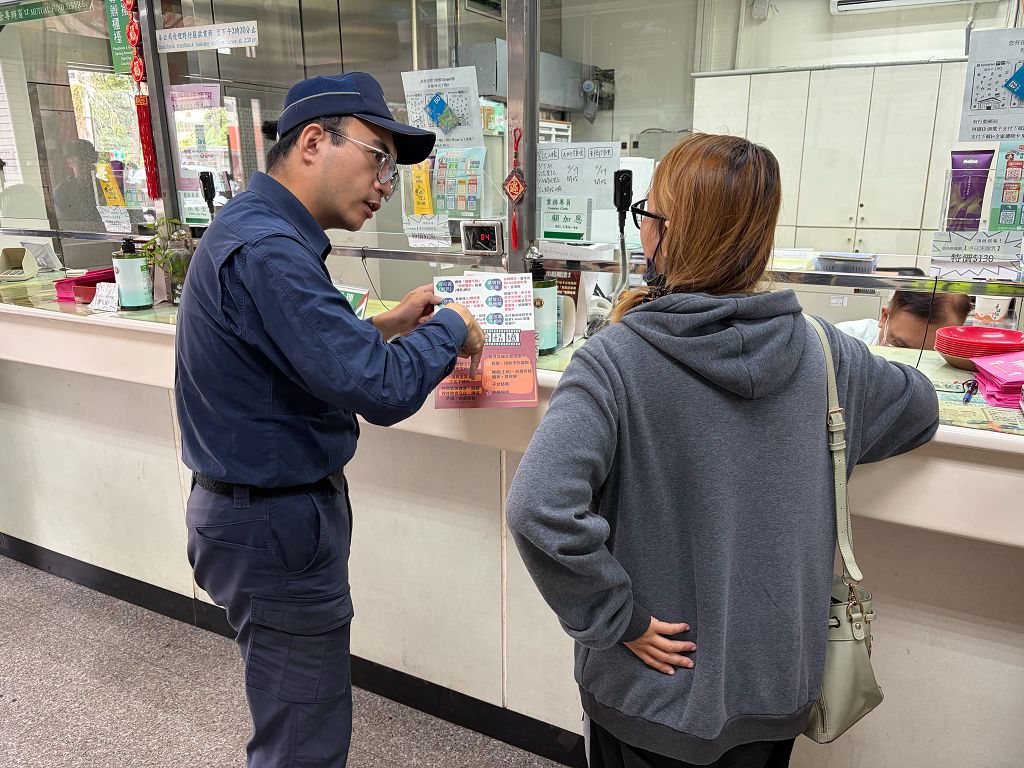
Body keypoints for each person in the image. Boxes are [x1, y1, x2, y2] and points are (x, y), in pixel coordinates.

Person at [505, 134, 939, 768]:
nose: (643, 227)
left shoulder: (614, 361)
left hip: (651, 691)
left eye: (647, 213)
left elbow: (539, 507)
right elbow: (920, 405)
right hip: (776, 687)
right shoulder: (826, 354)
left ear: (668, 234)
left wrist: (617, 618)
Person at [174, 71, 484, 768]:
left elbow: (302, 354)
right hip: (274, 526)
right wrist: (451, 327)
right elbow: (381, 390)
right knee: (302, 744)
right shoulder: (272, 251)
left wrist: (388, 323)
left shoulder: (256, 230)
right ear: (314, 142)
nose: (386, 185)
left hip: (256, 516)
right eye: (379, 160)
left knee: (293, 719)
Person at [836, 290, 971, 349]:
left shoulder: (959, 358)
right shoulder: (841, 343)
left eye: (932, 354)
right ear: (884, 317)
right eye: (900, 345)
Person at [52, 139, 102, 228]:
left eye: (92, 161)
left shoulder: (104, 188)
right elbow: (66, 227)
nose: (87, 165)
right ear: (69, 162)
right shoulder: (62, 192)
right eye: (82, 161)